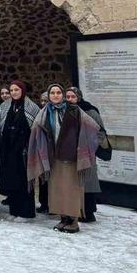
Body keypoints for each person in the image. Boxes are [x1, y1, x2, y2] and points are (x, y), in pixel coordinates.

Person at [27, 83, 99, 233]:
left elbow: (92, 126)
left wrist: (81, 143)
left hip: (71, 155)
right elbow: (36, 128)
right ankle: (63, 218)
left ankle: (73, 220)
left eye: (58, 92)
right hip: (53, 156)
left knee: (71, 188)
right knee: (57, 189)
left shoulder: (74, 110)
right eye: (52, 93)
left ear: (62, 95)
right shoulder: (45, 112)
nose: (55, 95)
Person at [0, 80, 40, 222]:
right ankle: (14, 210)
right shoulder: (5, 106)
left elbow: (37, 128)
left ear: (22, 91)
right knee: (11, 180)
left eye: (16, 90)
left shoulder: (31, 107)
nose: (14, 93)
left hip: (24, 150)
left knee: (24, 181)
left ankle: (26, 212)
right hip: (8, 149)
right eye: (12, 90)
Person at [66, 86, 105, 223]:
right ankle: (77, 210)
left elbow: (100, 132)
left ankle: (88, 212)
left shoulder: (90, 111)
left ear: (79, 97)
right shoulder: (67, 111)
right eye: (68, 97)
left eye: (73, 97)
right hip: (71, 152)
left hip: (86, 152)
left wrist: (90, 146)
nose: (70, 99)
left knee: (87, 182)